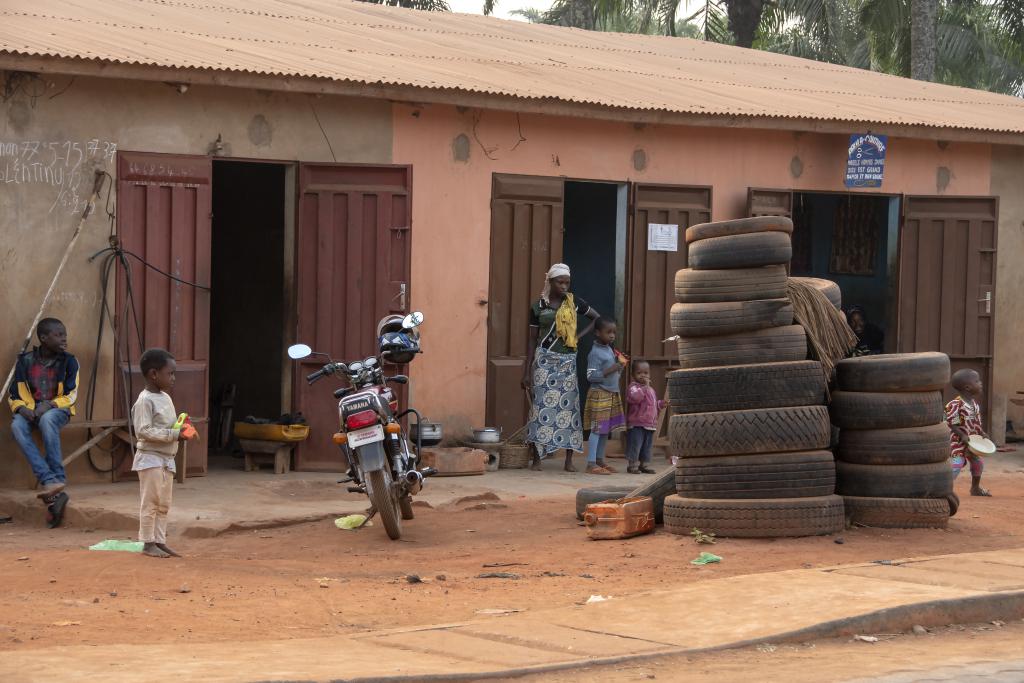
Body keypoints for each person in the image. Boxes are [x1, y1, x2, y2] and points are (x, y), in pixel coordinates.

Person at [523, 263, 599, 472]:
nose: (564, 286)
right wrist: (526, 371)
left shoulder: (574, 304)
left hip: (567, 362)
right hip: (544, 361)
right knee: (540, 409)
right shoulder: (538, 306)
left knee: (569, 409)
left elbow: (596, 319)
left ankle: (568, 460)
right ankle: (537, 458)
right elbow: (531, 341)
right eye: (560, 282)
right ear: (551, 282)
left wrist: (576, 337)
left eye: (567, 282)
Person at [9, 318, 79, 499]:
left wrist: (48, 405)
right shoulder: (24, 361)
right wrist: (22, 409)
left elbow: (71, 395)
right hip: (30, 410)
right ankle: (49, 480)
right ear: (43, 338)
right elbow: (13, 395)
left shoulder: (70, 361)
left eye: (65, 334)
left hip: (58, 409)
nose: (64, 339)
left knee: (48, 420)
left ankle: (58, 478)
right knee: (17, 425)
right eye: (59, 335)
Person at [132, 348, 189, 558]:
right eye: (170, 373)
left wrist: (181, 428)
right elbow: (143, 430)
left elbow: (169, 425)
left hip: (166, 458)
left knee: (164, 503)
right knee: (151, 502)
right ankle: (147, 542)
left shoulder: (165, 397)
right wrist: (173, 434)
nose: (173, 378)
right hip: (150, 458)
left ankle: (159, 540)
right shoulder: (144, 400)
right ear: (154, 374)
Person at [583, 317, 627, 475]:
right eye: (608, 332)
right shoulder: (595, 353)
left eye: (614, 332)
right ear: (597, 333)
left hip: (610, 392)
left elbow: (615, 374)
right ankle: (591, 463)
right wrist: (612, 368)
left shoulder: (609, 349)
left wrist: (620, 367)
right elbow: (591, 376)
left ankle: (600, 460)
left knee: (605, 429)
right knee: (597, 429)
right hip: (599, 393)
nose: (612, 336)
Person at [946, 368, 992, 497]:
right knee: (957, 464)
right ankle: (943, 489)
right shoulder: (955, 405)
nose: (981, 383)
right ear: (967, 387)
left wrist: (982, 433)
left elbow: (976, 423)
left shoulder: (974, 405)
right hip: (958, 441)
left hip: (972, 442)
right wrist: (962, 435)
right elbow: (951, 423)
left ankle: (975, 488)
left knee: (978, 464)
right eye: (977, 381)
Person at [625, 361, 665, 475]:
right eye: (639, 373)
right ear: (633, 375)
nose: (643, 375)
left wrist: (661, 404)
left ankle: (644, 465)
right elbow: (635, 398)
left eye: (646, 373)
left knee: (646, 446)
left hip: (649, 424)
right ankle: (632, 465)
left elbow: (652, 404)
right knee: (635, 445)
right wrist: (645, 387)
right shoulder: (633, 387)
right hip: (637, 423)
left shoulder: (651, 390)